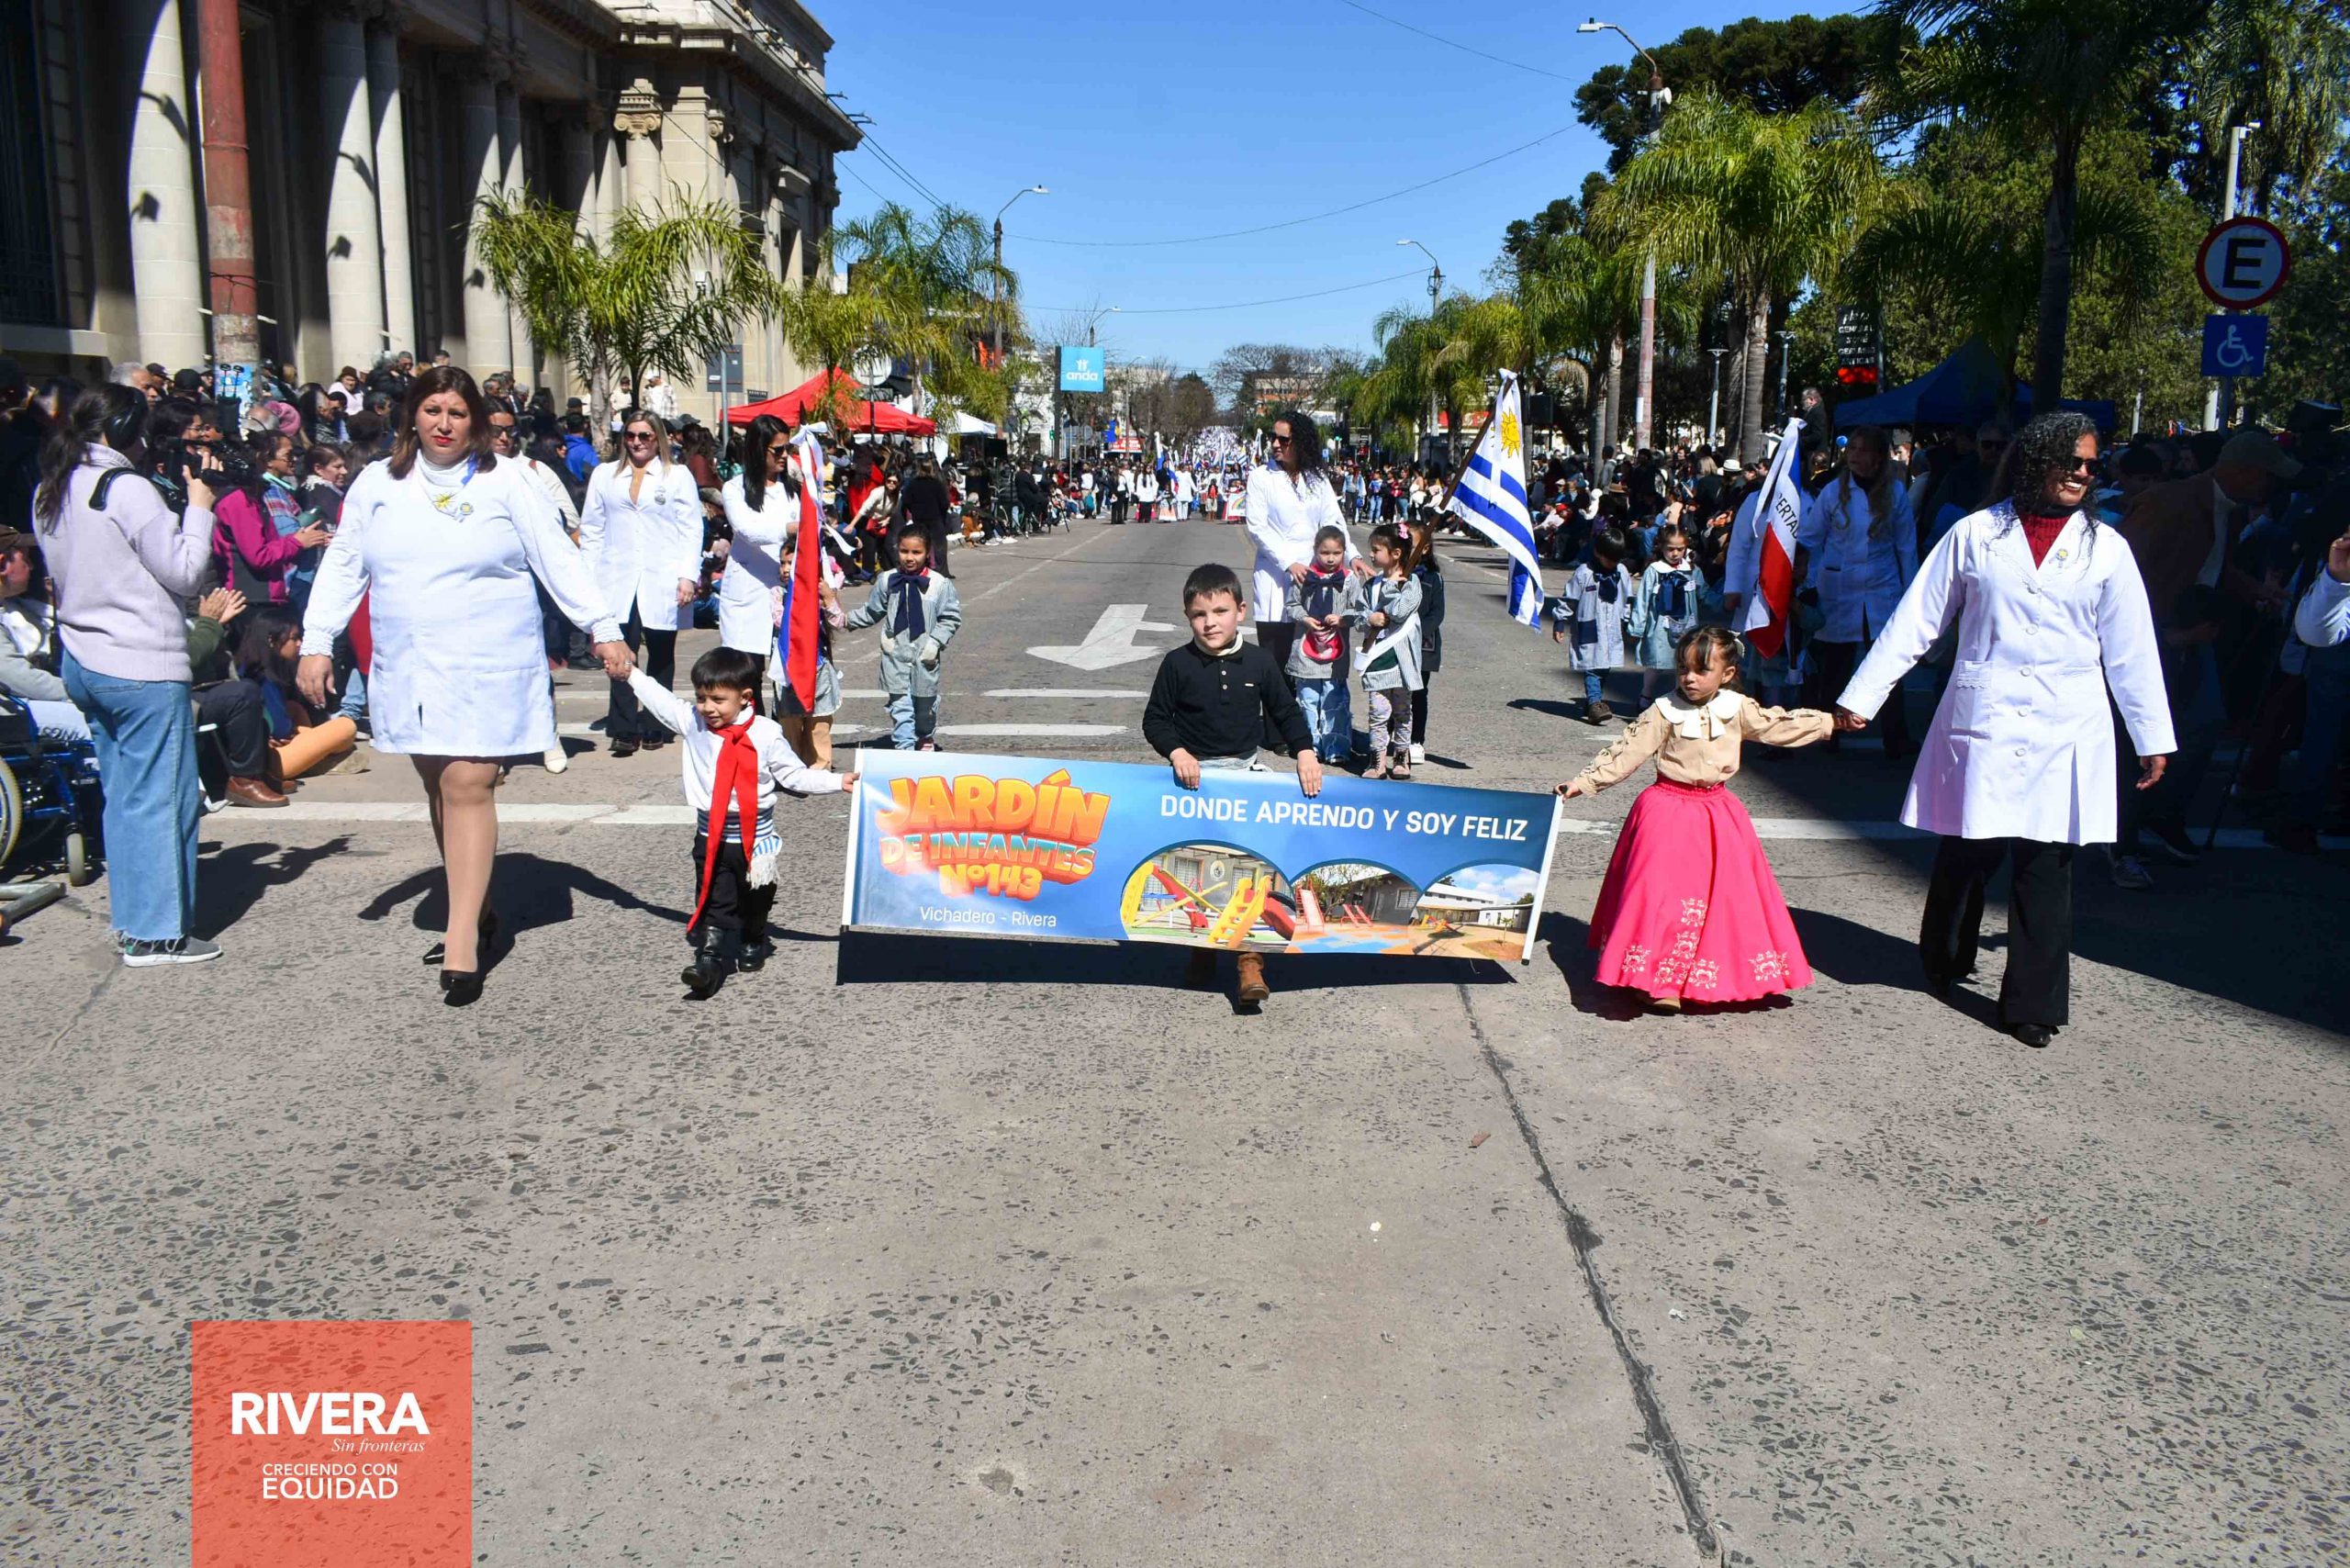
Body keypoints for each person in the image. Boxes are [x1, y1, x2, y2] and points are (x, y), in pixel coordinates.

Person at [1833, 412, 2175, 1049]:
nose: (2082, 473)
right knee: (1970, 848)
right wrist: (1863, 698)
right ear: (2034, 460)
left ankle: (2032, 1005)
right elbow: (1918, 620)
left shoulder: (2107, 548)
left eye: (2091, 465)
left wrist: (2151, 734)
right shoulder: (1975, 534)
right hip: (1985, 716)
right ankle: (1945, 954)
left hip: (2066, 724)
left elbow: (2131, 649)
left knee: (2046, 865)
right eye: (2071, 461)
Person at [297, 366, 632, 1005]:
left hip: (487, 657)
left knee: (467, 783)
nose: (444, 424)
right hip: (410, 659)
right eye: (432, 411)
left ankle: (461, 940)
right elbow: (344, 563)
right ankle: (476, 910)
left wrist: (602, 626)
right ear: (412, 417)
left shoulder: (507, 479)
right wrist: (318, 640)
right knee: (438, 786)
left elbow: (555, 555)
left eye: (456, 412)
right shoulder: (378, 483)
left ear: (474, 420)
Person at [33, 385, 220, 963]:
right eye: (141, 432)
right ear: (122, 431)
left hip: (84, 658)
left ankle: (135, 920)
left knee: (125, 799)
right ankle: (158, 933)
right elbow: (186, 572)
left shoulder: (51, 485)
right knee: (163, 799)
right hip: (140, 663)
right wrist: (199, 508)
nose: (146, 443)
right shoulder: (127, 487)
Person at [1560, 625, 1837, 1011]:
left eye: (1701, 670)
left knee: (1721, 901)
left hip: (1717, 815)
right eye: (1683, 669)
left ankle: (1714, 978)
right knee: (1660, 898)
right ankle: (1656, 982)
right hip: (1664, 813)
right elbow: (1627, 751)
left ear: (1727, 673)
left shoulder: (1737, 707)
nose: (1689, 678)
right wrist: (1582, 783)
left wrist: (1830, 723)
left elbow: (1777, 726)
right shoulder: (1664, 709)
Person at [1140, 561, 1323, 1008]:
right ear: (1188, 617)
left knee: (1253, 870)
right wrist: (1177, 752)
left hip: (1245, 780)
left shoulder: (1259, 661)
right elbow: (1156, 720)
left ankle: (1249, 963)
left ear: (1241, 611)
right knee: (1202, 869)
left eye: (1220, 612)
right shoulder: (1177, 664)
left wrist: (1305, 751)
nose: (1210, 623)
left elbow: (1285, 711)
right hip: (1195, 782)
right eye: (1200, 615)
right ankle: (1203, 949)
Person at [624, 644, 854, 998]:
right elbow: (661, 700)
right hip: (712, 836)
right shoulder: (694, 722)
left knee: (756, 898)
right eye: (701, 698)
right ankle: (709, 961)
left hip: (757, 842)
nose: (708, 708)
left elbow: (793, 776)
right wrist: (630, 673)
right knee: (715, 899)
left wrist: (838, 782)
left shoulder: (765, 733)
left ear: (745, 697)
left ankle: (753, 937)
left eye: (718, 700)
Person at [579, 410, 701, 758]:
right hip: (615, 578)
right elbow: (592, 529)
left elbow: (691, 528)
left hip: (662, 577)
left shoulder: (676, 476)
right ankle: (623, 727)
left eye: (644, 436)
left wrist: (687, 575)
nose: (636, 442)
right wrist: (587, 578)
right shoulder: (605, 475)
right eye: (631, 436)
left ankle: (656, 723)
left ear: (657, 439)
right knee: (619, 651)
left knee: (660, 655)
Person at [1798, 427, 1919, 758]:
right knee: (1835, 667)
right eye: (1851, 448)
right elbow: (1809, 537)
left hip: (1881, 589)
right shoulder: (1833, 491)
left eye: (1862, 450)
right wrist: (1797, 574)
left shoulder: (1895, 493)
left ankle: (1895, 737)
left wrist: (1912, 595)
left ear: (1879, 456)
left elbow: (1906, 547)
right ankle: (1829, 733)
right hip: (1840, 590)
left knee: (1886, 666)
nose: (1854, 455)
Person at [842, 524, 960, 751]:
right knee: (900, 706)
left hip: (924, 656)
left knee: (924, 706)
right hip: (895, 654)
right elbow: (872, 611)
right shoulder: (887, 580)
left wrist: (935, 643)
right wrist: (844, 620)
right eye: (905, 551)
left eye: (916, 552)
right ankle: (904, 749)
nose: (910, 557)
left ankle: (925, 735)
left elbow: (951, 617)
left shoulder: (939, 584)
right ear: (897, 550)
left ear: (927, 553)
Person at [717, 416, 800, 710]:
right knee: (747, 674)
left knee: (788, 673)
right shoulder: (734, 489)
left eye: (787, 448)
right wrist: (790, 528)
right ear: (757, 449)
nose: (784, 455)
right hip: (748, 592)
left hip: (786, 589)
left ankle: (785, 730)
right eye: (777, 450)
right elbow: (747, 529)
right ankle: (752, 729)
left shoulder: (793, 490)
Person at [1281, 524, 1359, 767]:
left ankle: (1336, 746)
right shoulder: (1304, 577)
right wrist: (1305, 618)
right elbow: (1291, 605)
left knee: (1334, 700)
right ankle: (1309, 746)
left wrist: (1343, 618)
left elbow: (1359, 610)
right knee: (1308, 700)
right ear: (1315, 550)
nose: (1331, 558)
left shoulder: (1349, 580)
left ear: (1344, 552)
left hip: (1335, 655)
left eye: (1337, 553)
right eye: (1325, 553)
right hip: (1306, 652)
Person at [1550, 523, 1636, 723]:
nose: (1613, 563)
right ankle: (1596, 704)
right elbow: (1569, 599)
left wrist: (1627, 622)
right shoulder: (1584, 573)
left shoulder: (1621, 571)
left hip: (1611, 628)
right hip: (1590, 627)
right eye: (1609, 559)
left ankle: (1592, 702)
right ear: (1598, 552)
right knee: (1592, 666)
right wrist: (1560, 621)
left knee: (1604, 667)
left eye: (1617, 559)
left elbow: (1627, 599)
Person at [1358, 523, 1424, 779]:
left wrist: (1390, 588)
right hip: (1377, 658)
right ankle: (1376, 759)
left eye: (1376, 550)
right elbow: (1358, 614)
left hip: (1402, 658)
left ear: (1396, 553)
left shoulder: (1411, 583)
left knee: (1402, 712)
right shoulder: (1371, 585)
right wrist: (1369, 619)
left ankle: (1400, 757)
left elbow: (1398, 612)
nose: (1371, 555)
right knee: (1378, 712)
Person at [774, 536, 845, 768]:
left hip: (818, 667)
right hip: (789, 669)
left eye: (792, 564)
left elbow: (839, 623)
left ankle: (819, 768)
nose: (786, 569)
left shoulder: (821, 595)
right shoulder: (778, 594)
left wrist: (828, 598)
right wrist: (800, 599)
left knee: (819, 723)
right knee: (791, 723)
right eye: (783, 563)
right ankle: (792, 768)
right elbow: (781, 622)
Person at [1628, 521, 1702, 703]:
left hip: (1687, 625)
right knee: (1656, 663)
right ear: (1661, 547)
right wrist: (1637, 629)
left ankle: (1680, 699)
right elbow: (1642, 600)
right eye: (1670, 549)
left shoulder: (1692, 570)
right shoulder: (1654, 571)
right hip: (1660, 626)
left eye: (1680, 549)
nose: (1675, 553)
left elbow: (1704, 592)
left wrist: (1723, 601)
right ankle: (1645, 695)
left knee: (1684, 663)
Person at [1403, 517, 1446, 767]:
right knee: (1394, 691)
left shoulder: (1433, 578)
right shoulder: (1395, 575)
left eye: (1411, 545)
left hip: (1422, 646)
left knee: (1418, 693)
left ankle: (1416, 740)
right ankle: (1392, 735)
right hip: (1395, 643)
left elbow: (1437, 614)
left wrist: (1416, 631)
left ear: (1425, 548)